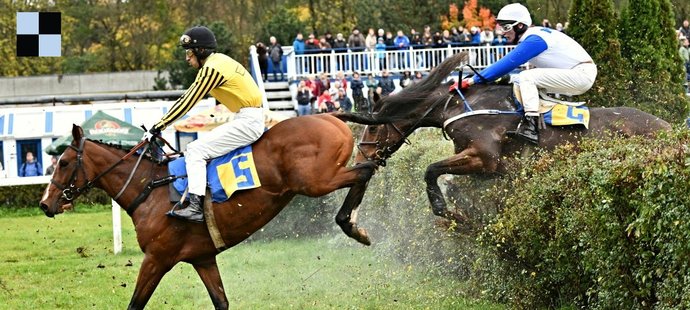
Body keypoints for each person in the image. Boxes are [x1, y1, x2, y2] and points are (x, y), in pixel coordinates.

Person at [144, 26, 264, 223]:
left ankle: (195, 207)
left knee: (194, 150)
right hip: (247, 117)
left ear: (201, 51)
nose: (187, 58)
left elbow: (188, 100)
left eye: (189, 53)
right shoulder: (220, 61)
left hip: (248, 121)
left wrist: (159, 125)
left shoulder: (211, 69)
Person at [459, 3, 596, 145]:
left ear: (520, 26)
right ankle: (542, 122)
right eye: (501, 28)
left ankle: (531, 127)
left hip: (581, 74)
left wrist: (472, 80)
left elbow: (506, 64)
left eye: (506, 28)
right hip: (578, 73)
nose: (503, 33)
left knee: (527, 77)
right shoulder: (534, 35)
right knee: (520, 80)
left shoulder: (534, 39)